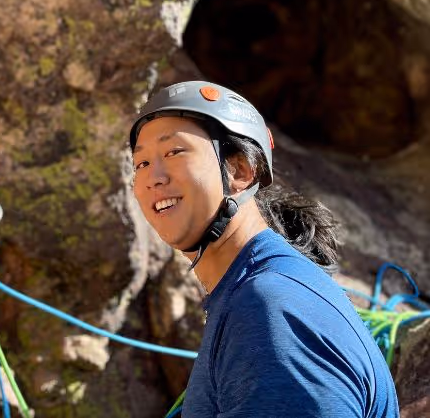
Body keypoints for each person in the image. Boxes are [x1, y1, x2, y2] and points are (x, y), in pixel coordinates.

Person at [129, 80, 399, 417]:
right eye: (141, 164)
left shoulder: (272, 309)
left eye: (174, 152)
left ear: (240, 170)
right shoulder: (254, 296)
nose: (153, 177)